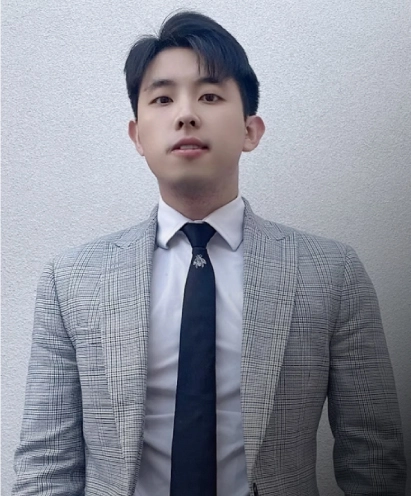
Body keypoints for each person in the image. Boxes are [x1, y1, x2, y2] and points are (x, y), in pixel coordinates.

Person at [13, 10, 406, 496]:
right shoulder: (71, 280)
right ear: (137, 136)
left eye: (210, 96)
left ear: (250, 131)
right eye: (162, 98)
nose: (186, 114)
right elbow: (47, 465)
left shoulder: (331, 273)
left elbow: (374, 461)